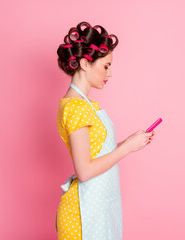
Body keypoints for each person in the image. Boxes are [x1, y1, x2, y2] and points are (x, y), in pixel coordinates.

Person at [55, 21, 155, 240]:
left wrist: (129, 142)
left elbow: (96, 153)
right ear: (85, 64)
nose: (109, 74)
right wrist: (127, 148)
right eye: (106, 66)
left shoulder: (86, 104)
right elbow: (85, 171)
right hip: (82, 214)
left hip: (96, 207)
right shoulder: (75, 107)